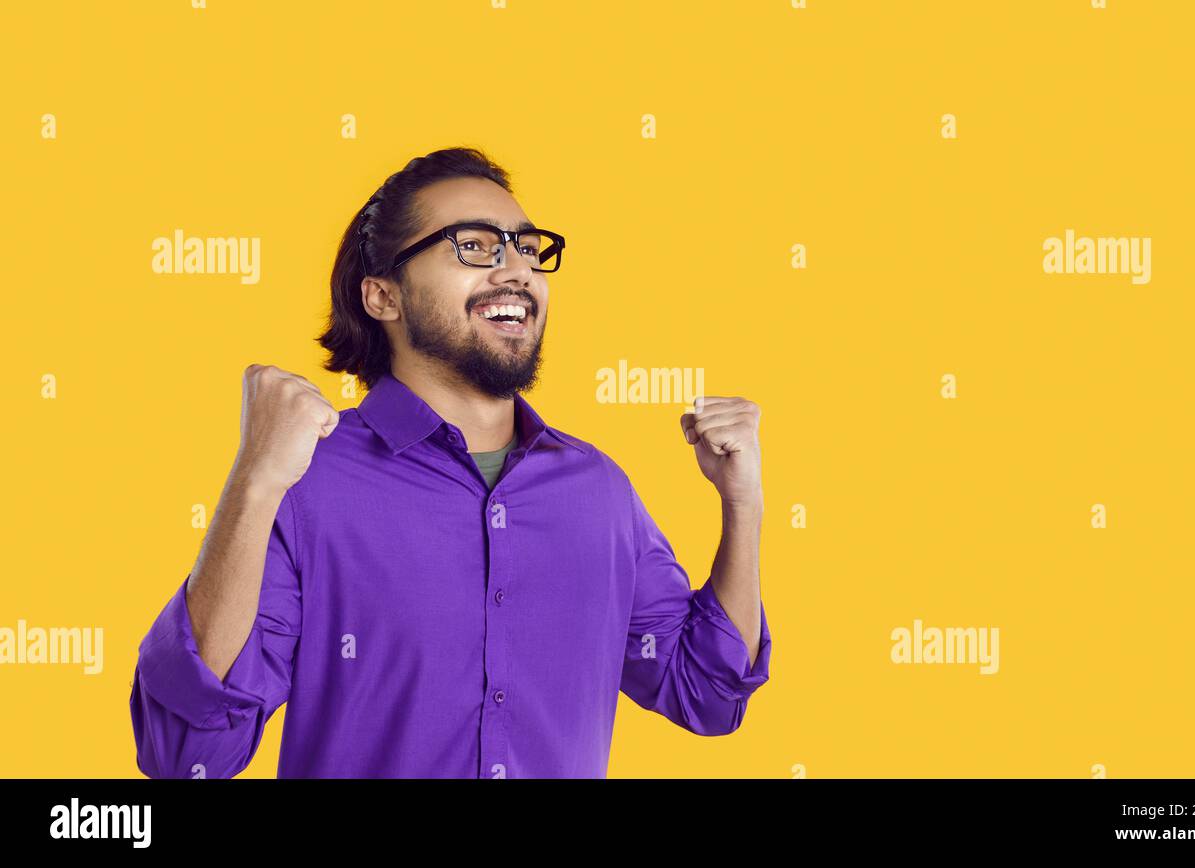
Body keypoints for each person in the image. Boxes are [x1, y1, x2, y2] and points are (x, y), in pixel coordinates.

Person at [129, 147, 772, 778]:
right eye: (475, 245)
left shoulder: (597, 492)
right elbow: (188, 755)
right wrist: (255, 479)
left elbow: (707, 694)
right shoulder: (305, 484)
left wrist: (742, 505)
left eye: (526, 248)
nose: (516, 269)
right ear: (384, 296)